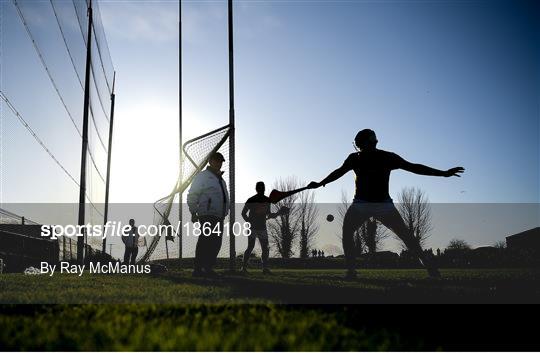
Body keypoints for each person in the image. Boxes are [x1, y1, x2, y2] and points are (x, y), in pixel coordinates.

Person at [308, 129, 464, 279]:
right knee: (356, 232)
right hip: (370, 204)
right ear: (374, 141)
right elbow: (339, 172)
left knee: (404, 236)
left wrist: (443, 173)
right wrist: (321, 182)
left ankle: (352, 270)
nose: (360, 146)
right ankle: (352, 270)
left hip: (374, 205)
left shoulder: (371, 157)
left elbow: (414, 167)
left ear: (363, 143)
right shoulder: (366, 157)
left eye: (360, 143)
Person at [187, 152, 230, 277]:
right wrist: (193, 211)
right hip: (206, 214)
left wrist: (225, 211)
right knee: (205, 240)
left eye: (221, 161)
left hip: (219, 216)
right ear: (210, 161)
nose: (219, 163)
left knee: (216, 242)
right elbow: (192, 194)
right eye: (217, 160)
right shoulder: (203, 176)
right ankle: (198, 268)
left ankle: (208, 268)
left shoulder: (221, 180)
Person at [240, 181, 282, 274]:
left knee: (265, 248)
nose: (262, 189)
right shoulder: (251, 199)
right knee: (250, 247)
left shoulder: (267, 200)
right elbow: (243, 213)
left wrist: (279, 213)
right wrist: (249, 222)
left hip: (262, 227)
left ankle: (265, 268)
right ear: (256, 189)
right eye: (260, 187)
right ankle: (243, 267)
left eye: (263, 187)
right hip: (252, 228)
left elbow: (269, 214)